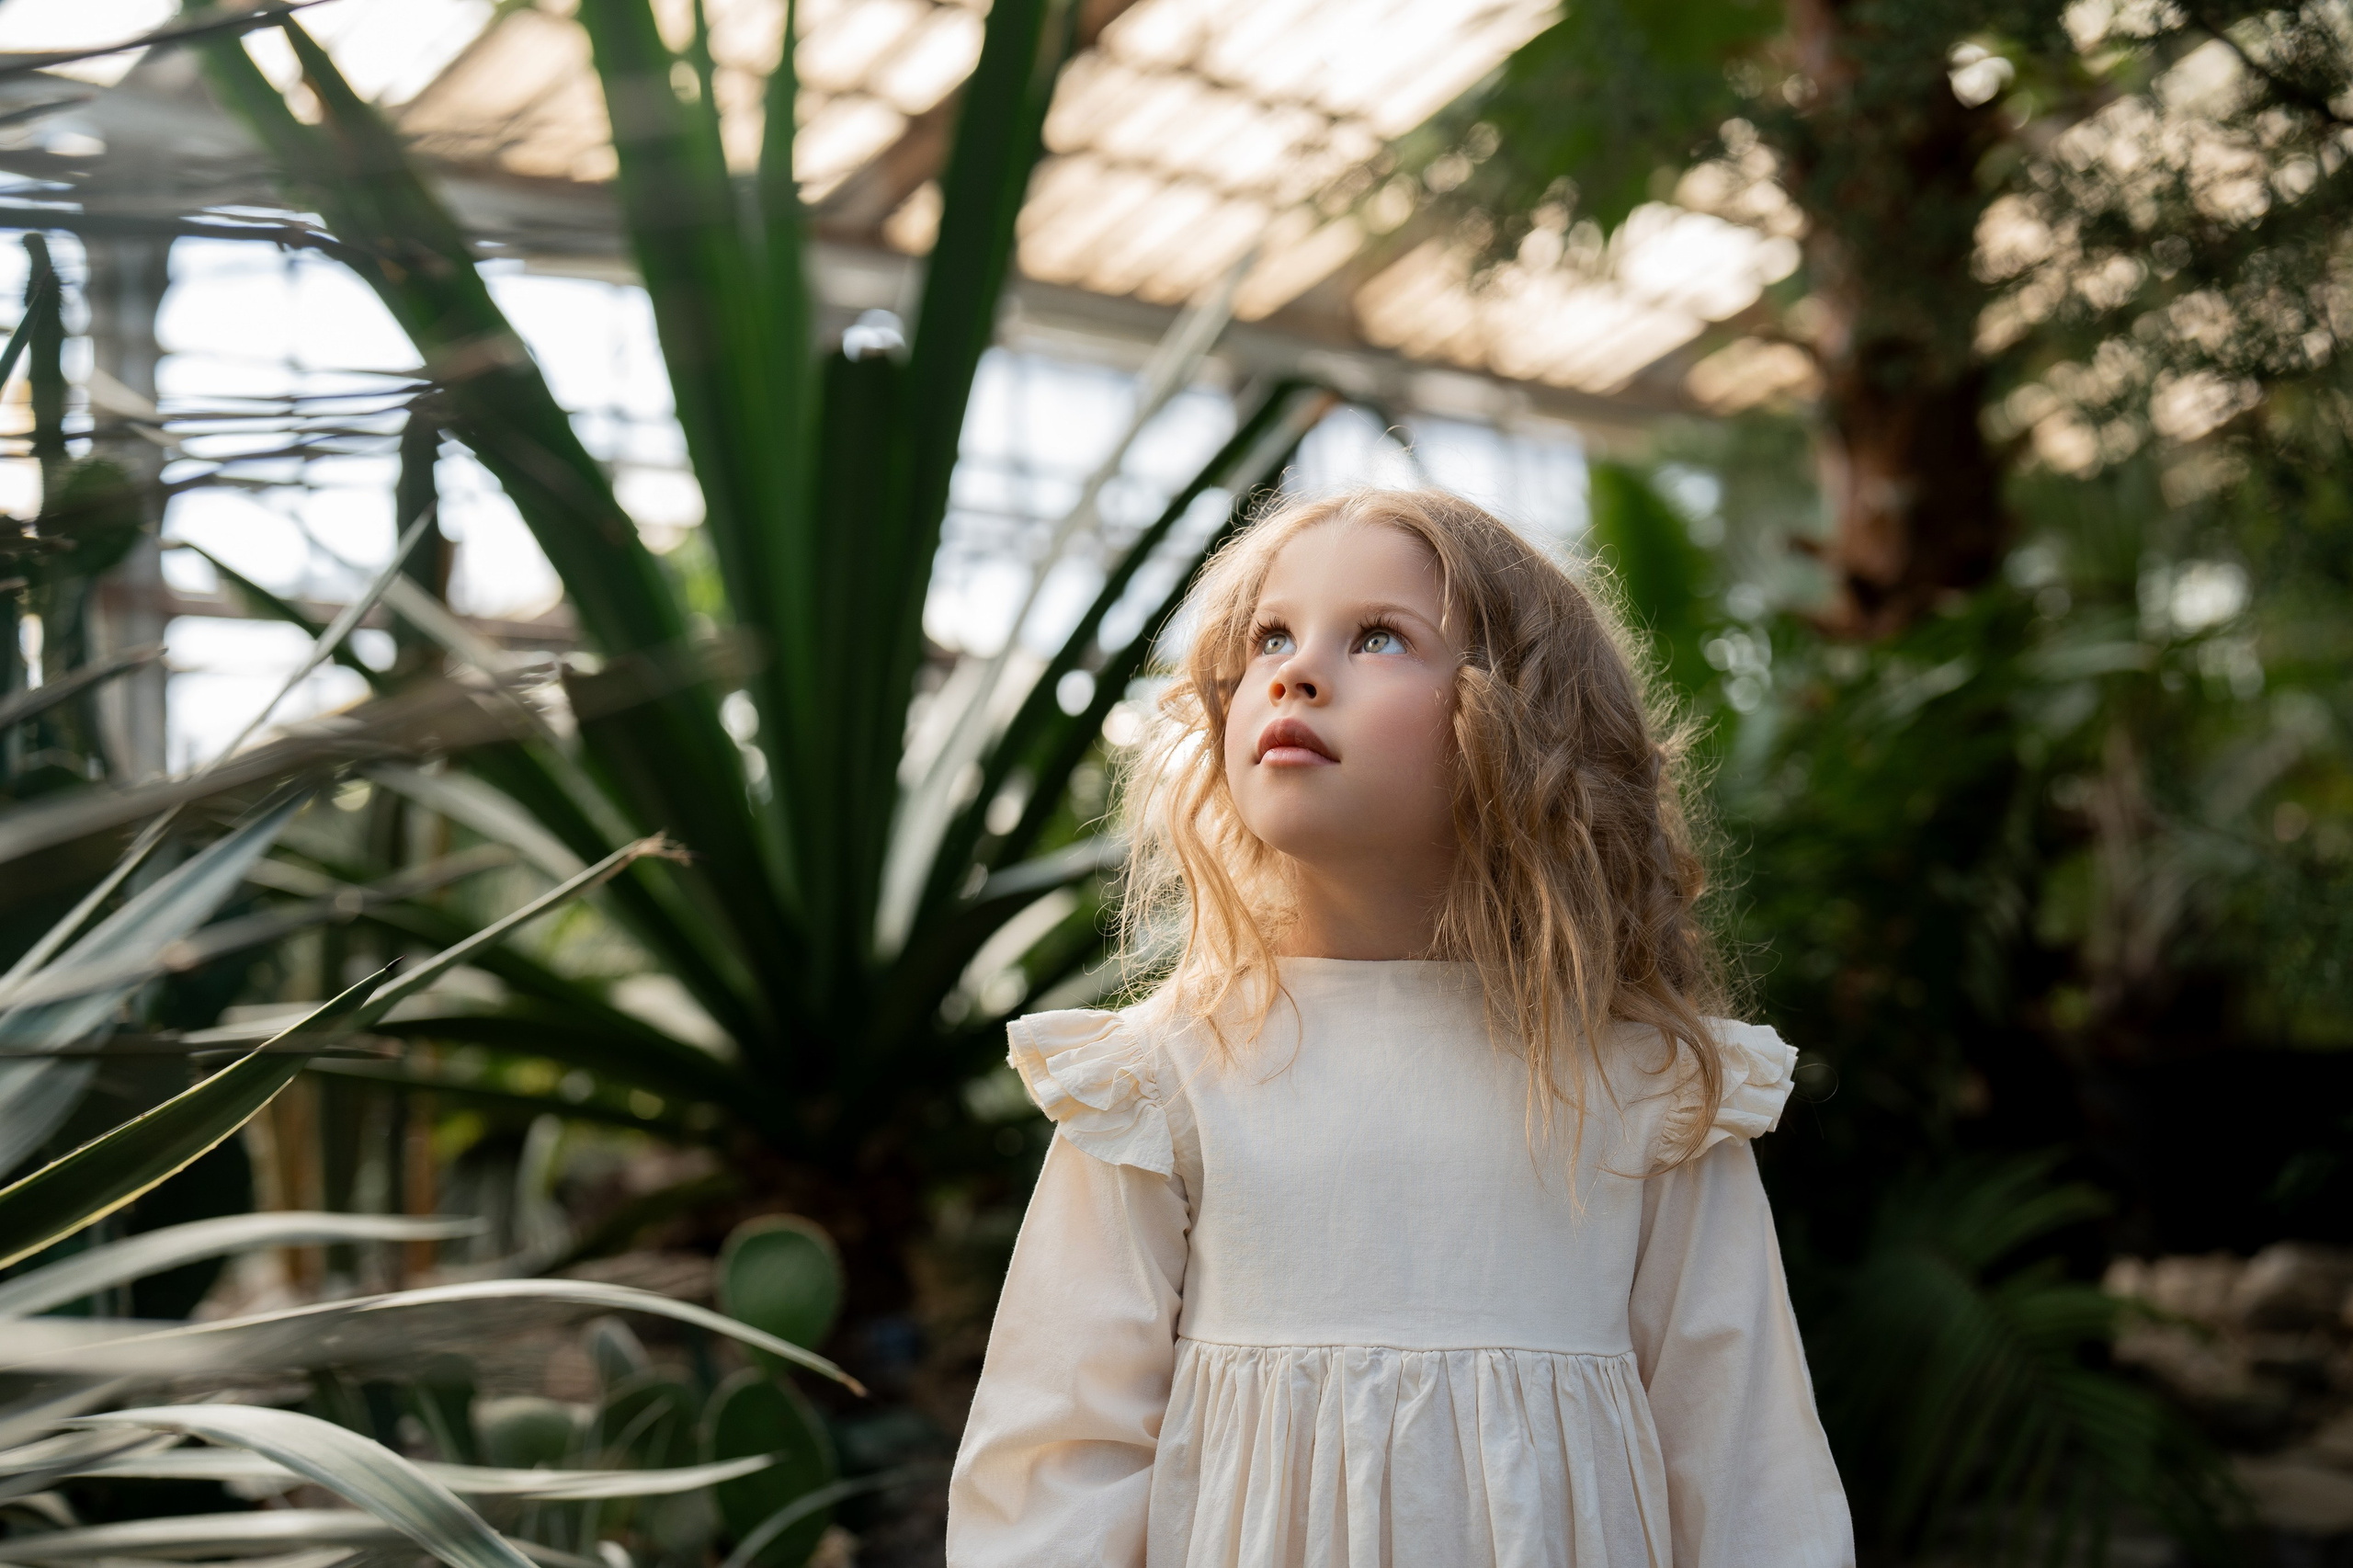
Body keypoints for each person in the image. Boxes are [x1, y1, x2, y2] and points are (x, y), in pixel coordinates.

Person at [946, 488, 1854, 1567]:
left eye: (1378, 635)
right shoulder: (1162, 1080)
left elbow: (1747, 1465)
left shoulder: (1645, 1088)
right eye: (1269, 637)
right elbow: (1055, 1461)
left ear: (1523, 718)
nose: (1293, 670)